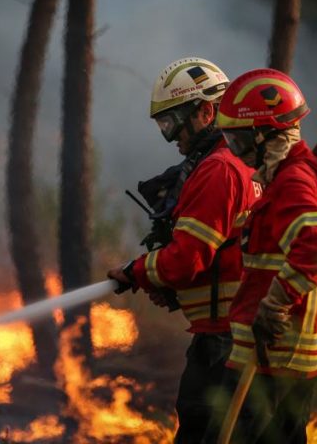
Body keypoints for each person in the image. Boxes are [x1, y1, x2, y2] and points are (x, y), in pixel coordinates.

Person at [207, 68, 317, 443]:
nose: (237, 151)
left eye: (238, 140)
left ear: (263, 134)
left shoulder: (293, 182)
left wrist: (275, 306)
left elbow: (315, 249)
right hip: (297, 359)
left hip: (271, 358)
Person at [107, 57, 260, 443]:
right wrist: (175, 288)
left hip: (224, 343)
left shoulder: (219, 170)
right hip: (240, 337)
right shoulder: (236, 163)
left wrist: (137, 271)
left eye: (173, 122)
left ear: (206, 111)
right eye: (163, 125)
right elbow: (220, 255)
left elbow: (189, 256)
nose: (172, 136)